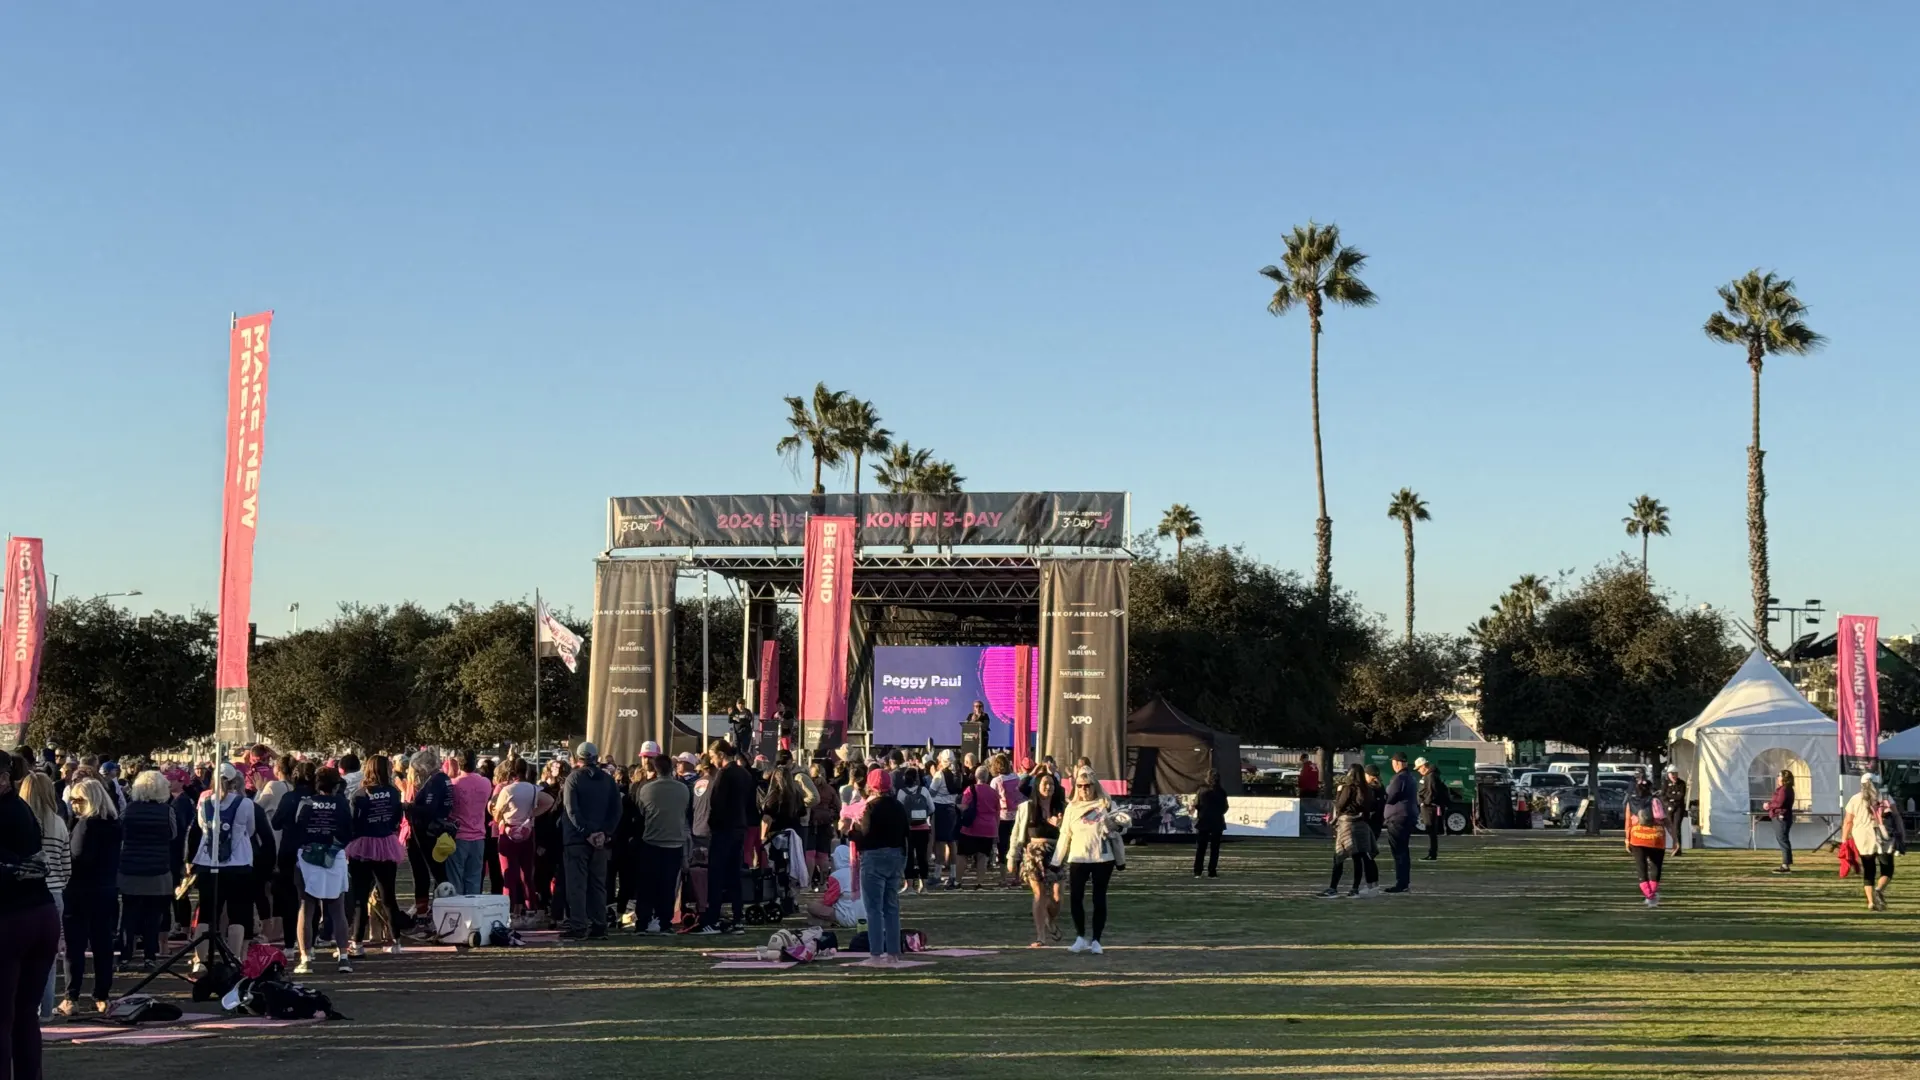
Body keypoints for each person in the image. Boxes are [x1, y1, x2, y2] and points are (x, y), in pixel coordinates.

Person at [1, 753, 61, 1080]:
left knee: (6, 1017)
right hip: (41, 913)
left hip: (14, 918)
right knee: (25, 1015)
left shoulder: (13, 812)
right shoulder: (23, 810)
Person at [59, 778, 122, 1017]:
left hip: (80, 891)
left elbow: (76, 858)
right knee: (103, 945)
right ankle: (102, 995)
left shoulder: (86, 826)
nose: (73, 804)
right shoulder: (115, 824)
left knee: (75, 947)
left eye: (78, 799)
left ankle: (71, 997)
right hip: (106, 890)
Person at [283, 765, 353, 975]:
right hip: (334, 857)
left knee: (306, 907)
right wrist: (332, 849)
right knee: (337, 908)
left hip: (308, 858)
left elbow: (296, 830)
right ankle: (343, 957)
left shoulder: (306, 803)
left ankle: (305, 958)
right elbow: (348, 832)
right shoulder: (342, 804)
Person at [189, 763, 258, 975]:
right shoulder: (245, 803)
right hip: (238, 865)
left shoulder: (205, 802)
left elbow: (201, 829)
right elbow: (251, 829)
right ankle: (235, 958)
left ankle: (200, 961)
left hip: (208, 863)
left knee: (207, 913)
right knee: (237, 913)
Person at [1051, 766, 1127, 954]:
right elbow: (1064, 835)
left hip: (1103, 858)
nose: (1084, 789)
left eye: (1087, 786)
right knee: (1076, 897)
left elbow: (1123, 826)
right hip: (1078, 858)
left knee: (1099, 898)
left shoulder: (1106, 803)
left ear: (1094, 786)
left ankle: (1096, 940)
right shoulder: (1071, 808)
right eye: (1080, 786)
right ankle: (1080, 937)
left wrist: (1115, 826)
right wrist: (1056, 861)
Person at [19, 771, 69, 1023]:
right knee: (47, 959)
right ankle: (46, 1010)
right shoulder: (58, 823)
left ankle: (23, 1009)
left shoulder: (20, 822)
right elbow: (66, 863)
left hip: (27, 892)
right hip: (56, 891)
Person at [347, 754, 408, 955]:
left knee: (360, 896)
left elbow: (353, 823)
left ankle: (357, 943)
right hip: (386, 843)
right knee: (388, 895)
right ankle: (396, 941)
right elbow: (396, 818)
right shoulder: (393, 792)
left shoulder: (359, 795)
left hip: (362, 846)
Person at [560, 742, 621, 939]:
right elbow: (616, 810)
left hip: (578, 840)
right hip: (600, 841)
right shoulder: (607, 779)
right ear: (597, 757)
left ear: (578, 757)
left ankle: (578, 926)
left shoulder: (573, 779)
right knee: (598, 885)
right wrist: (604, 832)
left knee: (577, 886)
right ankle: (599, 925)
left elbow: (572, 810)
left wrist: (586, 832)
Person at [116, 769, 176, 973]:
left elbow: (120, 831)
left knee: (129, 915)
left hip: (130, 869)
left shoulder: (129, 810)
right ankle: (150, 956)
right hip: (158, 870)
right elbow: (173, 834)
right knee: (153, 916)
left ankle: (125, 955)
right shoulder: (167, 811)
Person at [848, 768, 909, 965]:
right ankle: (893, 953)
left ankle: (875, 954)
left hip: (874, 857)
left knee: (873, 908)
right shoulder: (898, 806)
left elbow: (864, 836)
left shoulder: (869, 808)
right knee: (891, 906)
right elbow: (906, 835)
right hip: (896, 856)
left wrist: (851, 833)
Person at [699, 740, 757, 934]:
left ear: (721, 755)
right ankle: (738, 917)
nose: (712, 761)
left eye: (713, 756)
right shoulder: (745, 774)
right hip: (739, 828)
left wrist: (712, 826)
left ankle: (712, 919)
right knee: (734, 875)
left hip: (724, 830)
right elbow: (750, 804)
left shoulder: (724, 775)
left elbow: (716, 803)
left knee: (716, 875)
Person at [633, 755, 690, 934]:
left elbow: (641, 811)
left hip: (651, 841)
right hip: (674, 843)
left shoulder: (646, 790)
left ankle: (643, 921)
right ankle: (664, 921)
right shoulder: (683, 789)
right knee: (668, 885)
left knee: (647, 885)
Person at [1007, 770, 1065, 946]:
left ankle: (1048, 919)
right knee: (1039, 894)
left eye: (1052, 784)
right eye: (1045, 783)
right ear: (1037, 786)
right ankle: (1041, 936)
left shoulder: (1062, 808)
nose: (1048, 787)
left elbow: (1070, 832)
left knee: (1057, 897)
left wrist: (1061, 824)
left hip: (1057, 852)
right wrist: (1012, 857)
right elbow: (1016, 833)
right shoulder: (1027, 807)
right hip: (1033, 853)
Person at [491, 758, 550, 924]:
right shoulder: (533, 788)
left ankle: (508, 913)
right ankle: (531, 910)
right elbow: (549, 802)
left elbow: (497, 813)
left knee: (509, 875)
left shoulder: (508, 790)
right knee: (527, 875)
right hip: (527, 831)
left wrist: (502, 817)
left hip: (508, 831)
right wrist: (533, 814)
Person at [1842, 774, 1907, 912]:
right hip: (1883, 835)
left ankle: (1871, 902)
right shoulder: (1885, 797)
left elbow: (1848, 821)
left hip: (1862, 837)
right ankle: (1879, 889)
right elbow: (1896, 816)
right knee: (1887, 868)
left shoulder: (1855, 799)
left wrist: (1844, 839)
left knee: (1869, 870)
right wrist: (1901, 833)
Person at [404, 750, 453, 914]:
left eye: (418, 768)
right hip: (437, 831)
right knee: (437, 873)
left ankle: (425, 912)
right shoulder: (444, 779)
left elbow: (429, 809)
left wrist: (408, 807)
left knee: (425, 874)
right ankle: (437, 910)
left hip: (427, 833)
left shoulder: (435, 781)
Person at [1320, 765, 1375, 899]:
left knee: (1339, 857)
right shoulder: (1368, 790)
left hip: (1347, 825)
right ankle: (1355, 888)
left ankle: (1333, 887)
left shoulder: (1347, 788)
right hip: (1361, 825)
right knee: (1358, 858)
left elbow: (1339, 806)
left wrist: (1339, 792)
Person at [446, 750, 492, 895]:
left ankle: (458, 912)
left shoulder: (453, 784)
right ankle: (471, 913)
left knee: (455, 878)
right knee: (474, 879)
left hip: (459, 836)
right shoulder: (485, 783)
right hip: (478, 836)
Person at [1624, 776, 1668, 907]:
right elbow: (1665, 819)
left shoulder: (1630, 802)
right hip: (1656, 837)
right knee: (1656, 866)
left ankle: (1649, 896)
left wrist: (1627, 839)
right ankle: (1653, 894)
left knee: (1641, 868)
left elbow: (1628, 823)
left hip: (1637, 837)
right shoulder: (1656, 801)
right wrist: (1675, 839)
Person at [957, 764, 1001, 888]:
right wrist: (996, 831)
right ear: (987, 778)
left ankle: (958, 880)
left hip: (971, 828)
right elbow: (997, 812)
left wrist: (956, 807)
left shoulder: (970, 790)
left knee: (962, 855)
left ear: (976, 777)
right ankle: (979, 882)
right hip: (989, 828)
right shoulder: (994, 793)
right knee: (983, 856)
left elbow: (964, 807)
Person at [894, 762, 935, 894]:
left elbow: (899, 811)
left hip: (908, 829)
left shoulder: (901, 793)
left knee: (909, 856)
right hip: (923, 828)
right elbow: (932, 808)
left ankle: (909, 886)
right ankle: (924, 886)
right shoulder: (924, 790)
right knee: (922, 857)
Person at [1381, 752, 1417, 893]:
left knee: (1399, 851)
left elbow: (1390, 797)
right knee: (1403, 851)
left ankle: (1401, 883)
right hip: (1407, 816)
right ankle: (1404, 882)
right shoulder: (1411, 778)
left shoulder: (1399, 778)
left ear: (1396, 763)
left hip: (1397, 818)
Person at [930, 750, 964, 889]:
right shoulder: (959, 774)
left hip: (940, 808)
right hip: (952, 807)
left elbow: (931, 792)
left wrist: (933, 775)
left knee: (939, 842)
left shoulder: (939, 775)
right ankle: (953, 874)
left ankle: (937, 874)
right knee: (952, 842)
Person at [805, 844, 859, 928]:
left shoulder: (836, 876)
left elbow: (828, 901)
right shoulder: (861, 872)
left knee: (812, 906)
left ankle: (830, 921)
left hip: (848, 918)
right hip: (866, 918)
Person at [805, 761, 840, 887]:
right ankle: (823, 882)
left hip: (810, 823)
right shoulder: (830, 789)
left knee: (810, 853)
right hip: (825, 823)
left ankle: (807, 883)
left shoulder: (808, 787)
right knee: (823, 854)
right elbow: (838, 806)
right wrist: (831, 816)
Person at [990, 755, 1024, 885]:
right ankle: (1017, 877)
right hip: (1016, 815)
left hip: (1002, 816)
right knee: (1016, 846)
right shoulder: (1016, 777)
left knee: (1002, 847)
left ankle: (1003, 878)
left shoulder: (995, 781)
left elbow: (993, 799)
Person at [1192, 769, 1228, 878]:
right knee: (1215, 849)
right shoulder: (1222, 791)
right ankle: (1212, 871)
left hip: (1203, 821)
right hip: (1217, 822)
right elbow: (1225, 807)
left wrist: (1202, 812)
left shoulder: (1201, 790)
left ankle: (1197, 871)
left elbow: (1196, 804)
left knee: (1201, 848)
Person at [1417, 757, 1450, 861]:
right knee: (1431, 832)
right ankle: (1432, 853)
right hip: (1430, 806)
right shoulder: (1432, 775)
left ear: (1423, 766)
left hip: (1429, 807)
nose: (1418, 770)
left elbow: (1432, 792)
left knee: (1431, 831)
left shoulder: (1430, 776)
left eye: (1418, 768)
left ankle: (1432, 854)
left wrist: (1425, 803)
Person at [1765, 769, 1796, 874]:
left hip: (1781, 817)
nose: (1777, 778)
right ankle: (1786, 863)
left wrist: (1768, 805)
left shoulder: (1784, 790)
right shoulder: (1785, 789)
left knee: (1783, 840)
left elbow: (1779, 803)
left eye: (1779, 776)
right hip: (1781, 816)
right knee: (1783, 839)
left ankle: (1785, 865)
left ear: (1784, 778)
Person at [1661, 767, 1689, 856]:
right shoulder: (1665, 783)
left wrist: (1670, 796)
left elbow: (1680, 796)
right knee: (1671, 828)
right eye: (1671, 774)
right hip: (1669, 807)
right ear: (1668, 774)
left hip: (1678, 808)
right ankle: (1675, 846)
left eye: (1675, 773)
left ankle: (1678, 847)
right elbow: (1663, 796)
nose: (1673, 776)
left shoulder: (1682, 783)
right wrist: (1670, 800)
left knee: (1676, 827)